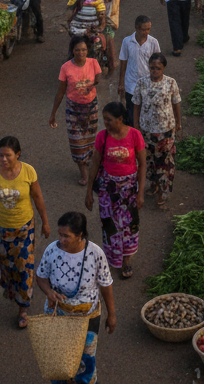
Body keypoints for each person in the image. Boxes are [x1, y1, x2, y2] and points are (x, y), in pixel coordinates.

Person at [0, 137, 51, 329]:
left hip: (24, 229)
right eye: (0, 155)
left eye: (8, 155)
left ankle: (23, 308)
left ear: (17, 155)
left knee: (24, 267)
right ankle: (12, 290)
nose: (3, 159)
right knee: (5, 265)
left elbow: (37, 197)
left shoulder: (28, 171)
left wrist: (45, 222)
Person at [35, 212, 116, 384]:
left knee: (85, 360)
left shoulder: (95, 254)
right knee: (59, 360)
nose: (61, 240)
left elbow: (106, 284)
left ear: (80, 235)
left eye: (67, 236)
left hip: (88, 318)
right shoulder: (52, 250)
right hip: (58, 314)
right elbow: (41, 277)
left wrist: (112, 315)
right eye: (60, 234)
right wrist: (49, 292)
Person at [85, 102, 146, 277]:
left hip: (129, 191)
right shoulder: (102, 137)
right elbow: (95, 163)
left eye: (109, 119)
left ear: (120, 119)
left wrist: (140, 193)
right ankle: (113, 259)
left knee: (128, 226)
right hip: (107, 191)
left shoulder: (135, 135)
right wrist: (89, 191)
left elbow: (142, 165)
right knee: (109, 226)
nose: (106, 123)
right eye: (104, 119)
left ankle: (126, 260)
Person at [50, 38, 103, 185]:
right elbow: (60, 92)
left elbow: (98, 77)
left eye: (84, 50)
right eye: (78, 50)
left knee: (90, 140)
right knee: (77, 142)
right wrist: (53, 114)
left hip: (91, 108)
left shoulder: (93, 63)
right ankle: (84, 173)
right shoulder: (66, 68)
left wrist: (92, 84)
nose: (81, 53)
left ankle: (92, 168)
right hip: (73, 109)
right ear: (72, 50)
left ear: (88, 51)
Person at [132, 54, 182, 209]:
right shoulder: (141, 83)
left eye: (158, 68)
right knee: (148, 160)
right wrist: (135, 126)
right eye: (152, 67)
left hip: (165, 130)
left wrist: (178, 122)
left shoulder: (170, 82)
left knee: (164, 163)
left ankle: (163, 191)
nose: (154, 70)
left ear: (163, 68)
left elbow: (176, 103)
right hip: (146, 130)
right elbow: (136, 105)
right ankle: (153, 184)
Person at [117, 16, 161, 125]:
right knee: (131, 114)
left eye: (148, 29)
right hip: (131, 83)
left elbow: (159, 63)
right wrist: (121, 83)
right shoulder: (127, 42)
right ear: (136, 28)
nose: (146, 32)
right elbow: (123, 62)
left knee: (147, 112)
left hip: (148, 83)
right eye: (144, 29)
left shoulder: (153, 42)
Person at [99, 0, 120, 73]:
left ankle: (112, 61)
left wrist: (107, 23)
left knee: (109, 39)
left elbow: (115, 15)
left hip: (108, 25)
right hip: (95, 24)